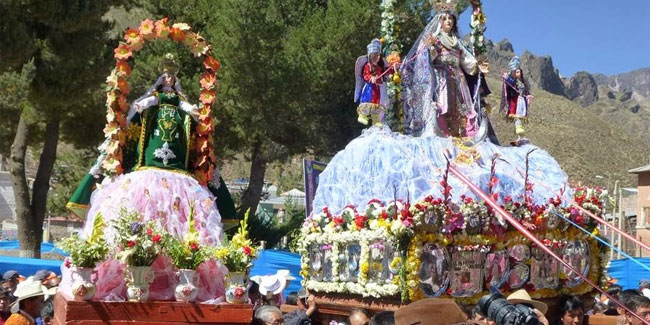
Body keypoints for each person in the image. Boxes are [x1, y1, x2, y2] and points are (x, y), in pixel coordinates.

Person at [401, 2, 489, 138]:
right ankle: (444, 131)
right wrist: (430, 48)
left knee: (465, 106)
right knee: (443, 104)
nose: (448, 21)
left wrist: (477, 65)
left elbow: (466, 60)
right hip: (442, 77)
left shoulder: (458, 42)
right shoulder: (435, 38)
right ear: (439, 21)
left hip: (459, 79)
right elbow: (427, 58)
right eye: (445, 18)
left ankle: (466, 134)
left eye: (451, 18)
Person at [354, 39, 396, 127]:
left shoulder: (379, 67)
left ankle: (376, 120)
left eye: (379, 56)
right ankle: (362, 115)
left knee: (377, 104)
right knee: (367, 102)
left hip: (377, 89)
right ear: (371, 56)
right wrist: (371, 78)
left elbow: (387, 72)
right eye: (376, 56)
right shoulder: (367, 66)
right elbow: (365, 75)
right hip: (370, 88)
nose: (378, 58)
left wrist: (393, 68)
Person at [500, 56, 532, 143]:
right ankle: (519, 134)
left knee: (520, 118)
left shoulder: (523, 83)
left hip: (522, 101)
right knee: (516, 117)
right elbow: (511, 82)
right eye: (516, 72)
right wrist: (507, 77)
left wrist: (529, 96)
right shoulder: (514, 81)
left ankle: (521, 137)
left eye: (519, 72)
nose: (518, 73)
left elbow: (526, 91)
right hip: (515, 101)